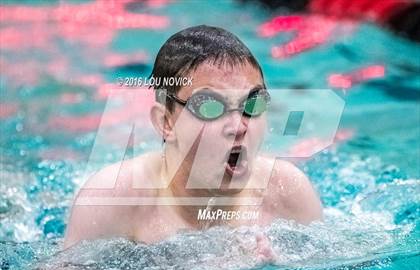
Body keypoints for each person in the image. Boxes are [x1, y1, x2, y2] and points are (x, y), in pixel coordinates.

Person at [64, 25, 322, 254]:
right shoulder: (112, 200)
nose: (238, 126)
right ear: (166, 122)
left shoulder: (288, 192)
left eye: (251, 104)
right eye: (210, 107)